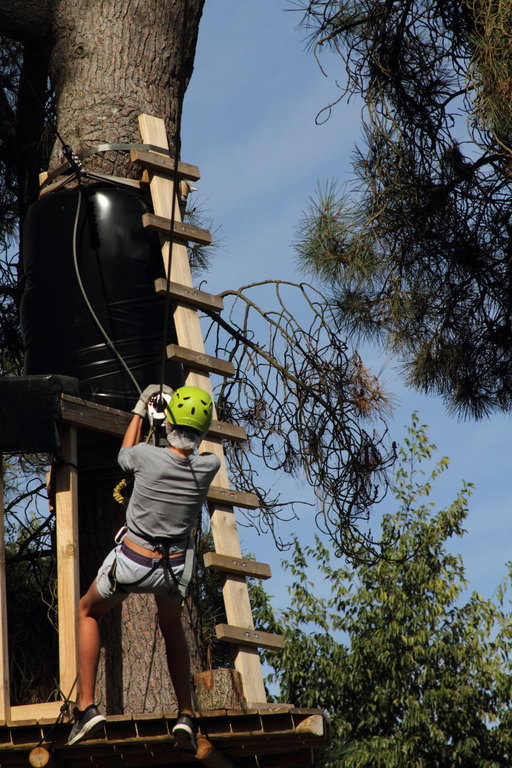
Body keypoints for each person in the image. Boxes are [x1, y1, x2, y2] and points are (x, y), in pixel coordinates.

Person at [67, 384, 221, 750]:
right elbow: (191, 447)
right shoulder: (208, 466)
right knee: (171, 627)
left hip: (133, 564)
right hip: (172, 570)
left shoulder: (145, 457)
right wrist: (171, 422)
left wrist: (141, 408)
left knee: (87, 611)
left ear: (168, 423)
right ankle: (186, 714)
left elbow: (124, 454)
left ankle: (86, 707)